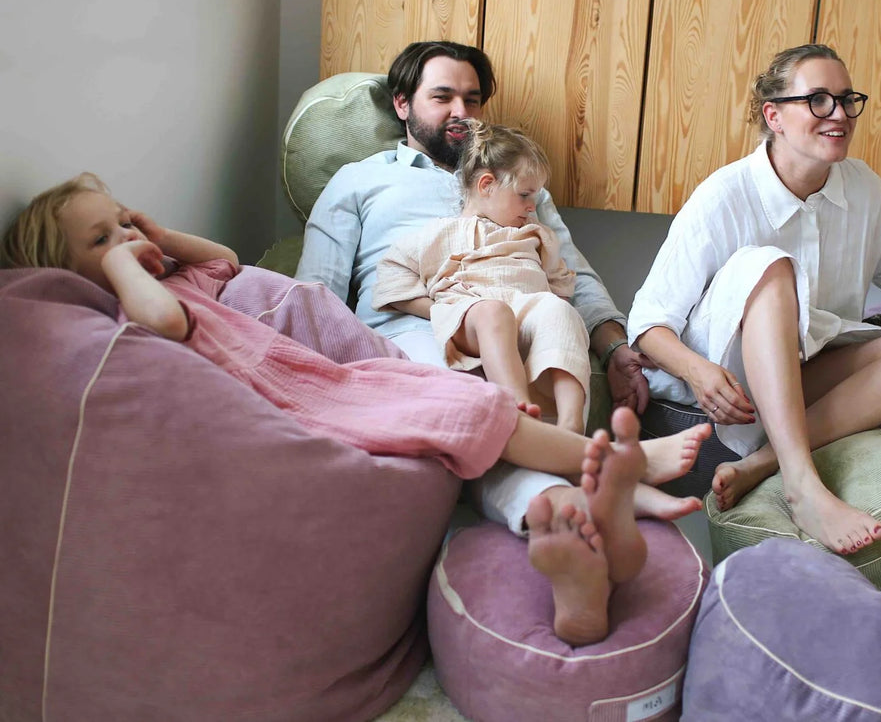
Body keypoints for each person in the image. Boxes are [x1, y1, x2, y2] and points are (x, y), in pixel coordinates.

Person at [2, 172, 710, 645]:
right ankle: (608, 478)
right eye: (102, 237)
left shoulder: (180, 276)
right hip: (309, 387)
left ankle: (605, 485)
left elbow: (223, 257)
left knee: (470, 405)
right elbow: (166, 321)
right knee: (465, 413)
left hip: (327, 370)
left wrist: (146, 234)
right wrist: (122, 263)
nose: (126, 240)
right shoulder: (136, 306)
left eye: (123, 223)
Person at [295, 41, 703, 548]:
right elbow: (314, 293)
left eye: (472, 99)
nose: (461, 112)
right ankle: (596, 478)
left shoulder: (522, 184)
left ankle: (560, 502)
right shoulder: (359, 180)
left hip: (524, 322)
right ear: (402, 104)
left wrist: (616, 348)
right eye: (442, 97)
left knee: (548, 336)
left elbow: (574, 276)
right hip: (417, 329)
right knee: (468, 402)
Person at [627, 44, 881, 556]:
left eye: (847, 100)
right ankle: (802, 485)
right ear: (774, 116)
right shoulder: (724, 196)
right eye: (818, 100)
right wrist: (699, 372)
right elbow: (648, 323)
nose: (839, 114)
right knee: (770, 266)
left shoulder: (864, 188)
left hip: (808, 376)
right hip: (732, 388)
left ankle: (762, 464)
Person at [373, 119, 590, 434]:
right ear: (486, 185)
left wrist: (553, 312)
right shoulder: (438, 233)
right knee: (493, 311)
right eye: (525, 195)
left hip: (527, 312)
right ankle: (519, 412)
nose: (532, 207)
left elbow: (560, 284)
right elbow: (390, 273)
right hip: (472, 316)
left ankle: (572, 423)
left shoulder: (536, 235)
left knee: (560, 310)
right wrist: (436, 309)